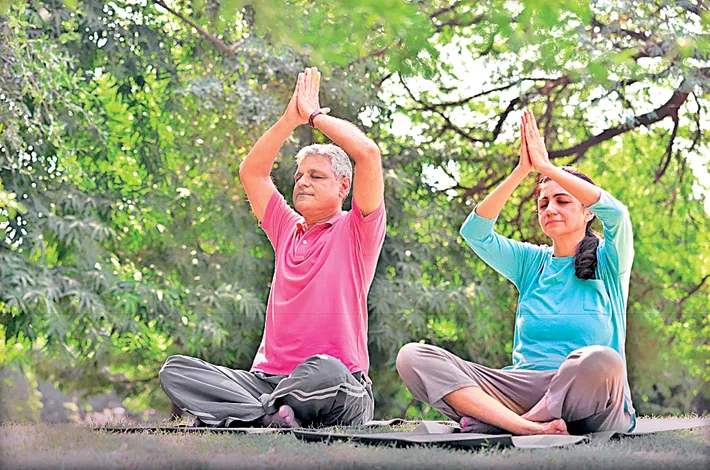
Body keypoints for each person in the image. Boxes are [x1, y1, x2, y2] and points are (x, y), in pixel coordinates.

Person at [159, 67, 386, 428]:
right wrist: (289, 119)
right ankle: (272, 414)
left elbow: (368, 154)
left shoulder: (357, 230)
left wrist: (313, 115)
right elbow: (251, 172)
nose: (303, 182)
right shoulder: (285, 228)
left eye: (316, 176)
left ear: (344, 186)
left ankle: (255, 413)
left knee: (325, 371)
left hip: (336, 385)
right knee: (177, 370)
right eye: (299, 176)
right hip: (268, 382)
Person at [396, 110, 635, 436]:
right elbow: (475, 232)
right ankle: (525, 426)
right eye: (543, 203)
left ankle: (509, 422)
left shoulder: (609, 262)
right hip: (520, 388)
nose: (550, 209)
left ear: (588, 212)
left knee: (602, 360)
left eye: (563, 201)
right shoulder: (530, 262)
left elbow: (618, 214)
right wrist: (522, 171)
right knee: (413, 357)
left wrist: (547, 168)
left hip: (588, 394)